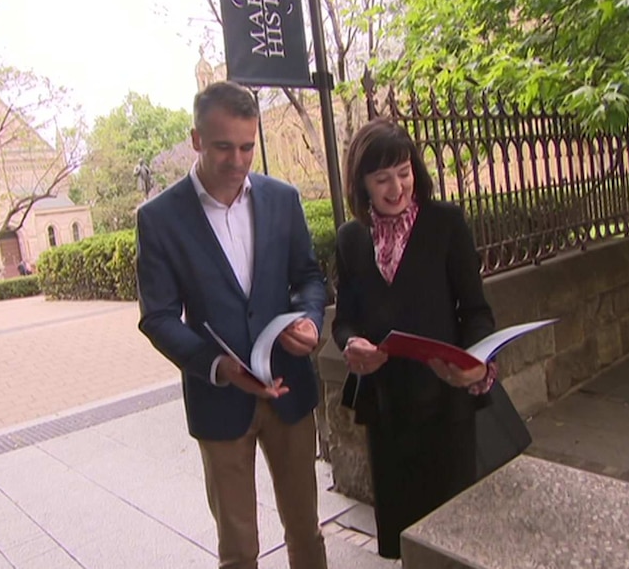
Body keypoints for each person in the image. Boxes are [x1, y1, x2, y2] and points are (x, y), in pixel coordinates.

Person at [135, 81, 328, 569]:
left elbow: (308, 276)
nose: (239, 160)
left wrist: (308, 320)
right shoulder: (158, 219)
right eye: (224, 146)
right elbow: (157, 316)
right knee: (238, 550)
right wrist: (218, 365)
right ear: (197, 139)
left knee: (306, 530)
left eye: (247, 146)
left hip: (290, 390)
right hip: (219, 399)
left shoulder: (282, 198)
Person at [332, 118, 518, 559]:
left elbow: (475, 311)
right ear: (361, 184)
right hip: (387, 412)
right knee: (406, 539)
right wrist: (350, 344)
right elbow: (344, 320)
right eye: (382, 179)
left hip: (445, 406)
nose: (396, 188)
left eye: (404, 172)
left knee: (455, 536)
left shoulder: (446, 224)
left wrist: (476, 360)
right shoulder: (351, 238)